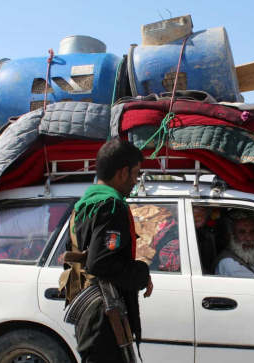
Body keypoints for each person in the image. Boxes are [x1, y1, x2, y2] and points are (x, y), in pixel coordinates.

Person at [71, 140, 154, 363]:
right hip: (105, 317)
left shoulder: (87, 202)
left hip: (94, 317)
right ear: (123, 172)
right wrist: (141, 272)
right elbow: (101, 263)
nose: (136, 182)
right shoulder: (111, 206)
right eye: (135, 174)